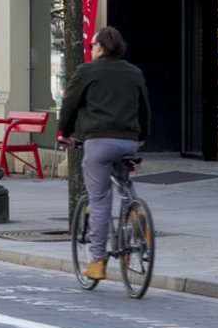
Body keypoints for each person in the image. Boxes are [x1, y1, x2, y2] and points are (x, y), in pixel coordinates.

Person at [58, 26, 151, 280]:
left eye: (91, 46)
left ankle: (97, 261)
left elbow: (70, 104)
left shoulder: (86, 71)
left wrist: (64, 133)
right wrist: (141, 137)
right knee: (124, 181)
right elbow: (144, 108)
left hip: (99, 142)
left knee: (99, 200)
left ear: (99, 47)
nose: (90, 50)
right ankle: (137, 215)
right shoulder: (134, 72)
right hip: (129, 142)